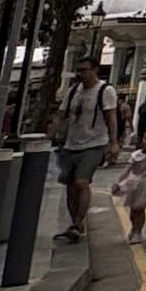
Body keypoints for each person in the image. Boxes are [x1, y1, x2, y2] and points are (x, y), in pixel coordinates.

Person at [51, 55, 121, 244]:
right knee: (70, 186)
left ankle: (77, 222)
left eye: (84, 70)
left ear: (94, 70)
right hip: (71, 144)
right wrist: (52, 135)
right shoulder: (73, 91)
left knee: (82, 182)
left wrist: (114, 143)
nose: (80, 73)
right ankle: (75, 224)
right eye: (78, 70)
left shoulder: (105, 91)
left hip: (94, 144)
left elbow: (111, 117)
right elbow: (61, 115)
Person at [110, 130, 146, 244]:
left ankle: (138, 231)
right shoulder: (136, 155)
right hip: (133, 183)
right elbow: (127, 170)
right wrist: (118, 182)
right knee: (133, 209)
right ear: (142, 140)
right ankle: (134, 228)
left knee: (140, 208)